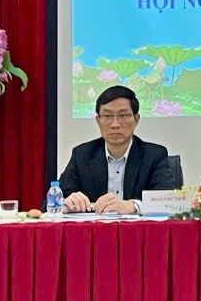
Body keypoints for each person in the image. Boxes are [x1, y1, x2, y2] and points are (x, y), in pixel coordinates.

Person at [59, 85, 176, 213]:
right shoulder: (82, 155)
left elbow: (168, 202)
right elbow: (52, 201)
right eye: (107, 116)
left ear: (136, 119)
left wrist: (133, 206)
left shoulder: (154, 155)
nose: (115, 124)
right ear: (98, 120)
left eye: (123, 115)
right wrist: (67, 202)